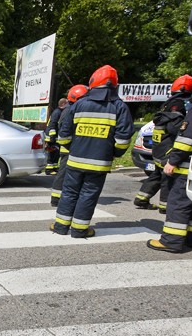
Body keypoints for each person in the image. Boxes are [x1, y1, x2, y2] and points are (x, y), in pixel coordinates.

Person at [53, 65, 134, 238]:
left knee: (69, 192)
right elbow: (123, 139)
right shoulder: (119, 107)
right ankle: (80, 230)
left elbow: (64, 134)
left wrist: (72, 148)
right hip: (99, 163)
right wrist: (113, 153)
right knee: (88, 195)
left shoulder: (80, 104)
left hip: (74, 160)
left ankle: (60, 226)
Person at [148, 69, 192, 253]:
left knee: (178, 201)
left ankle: (171, 240)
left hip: (187, 161)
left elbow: (187, 136)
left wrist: (172, 160)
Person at [134, 74, 192, 212]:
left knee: (157, 174)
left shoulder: (168, 102)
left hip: (159, 147)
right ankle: (165, 206)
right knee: (168, 176)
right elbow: (175, 127)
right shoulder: (180, 104)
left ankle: (142, 198)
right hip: (167, 147)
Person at [50, 86, 88, 207]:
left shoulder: (70, 109)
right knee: (63, 173)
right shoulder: (70, 110)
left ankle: (62, 197)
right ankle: (56, 199)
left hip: (70, 147)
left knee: (66, 174)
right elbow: (64, 131)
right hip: (68, 148)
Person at [44, 98, 68, 176]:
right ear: (63, 104)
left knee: (56, 153)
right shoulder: (57, 112)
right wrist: (52, 137)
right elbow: (52, 124)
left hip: (54, 136)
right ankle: (49, 169)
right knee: (52, 153)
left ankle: (54, 168)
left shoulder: (60, 111)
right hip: (51, 136)